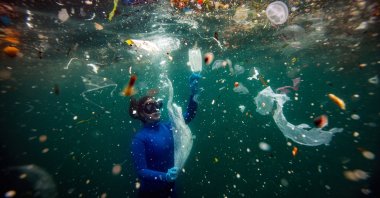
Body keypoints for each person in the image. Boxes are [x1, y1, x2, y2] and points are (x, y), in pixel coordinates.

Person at [129, 73, 201, 197]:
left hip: (171, 189)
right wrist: (164, 176)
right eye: (150, 107)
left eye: (157, 105)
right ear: (141, 113)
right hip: (150, 194)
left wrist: (193, 94)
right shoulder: (139, 139)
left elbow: (188, 115)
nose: (156, 109)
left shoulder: (168, 127)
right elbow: (141, 171)